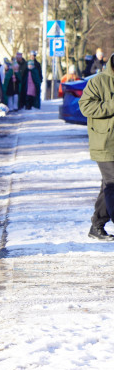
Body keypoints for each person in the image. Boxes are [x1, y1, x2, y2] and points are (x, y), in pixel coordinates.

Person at [78, 59, 114, 241]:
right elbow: (85, 106)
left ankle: (97, 225)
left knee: (107, 186)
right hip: (104, 142)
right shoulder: (98, 81)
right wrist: (112, 105)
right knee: (113, 183)